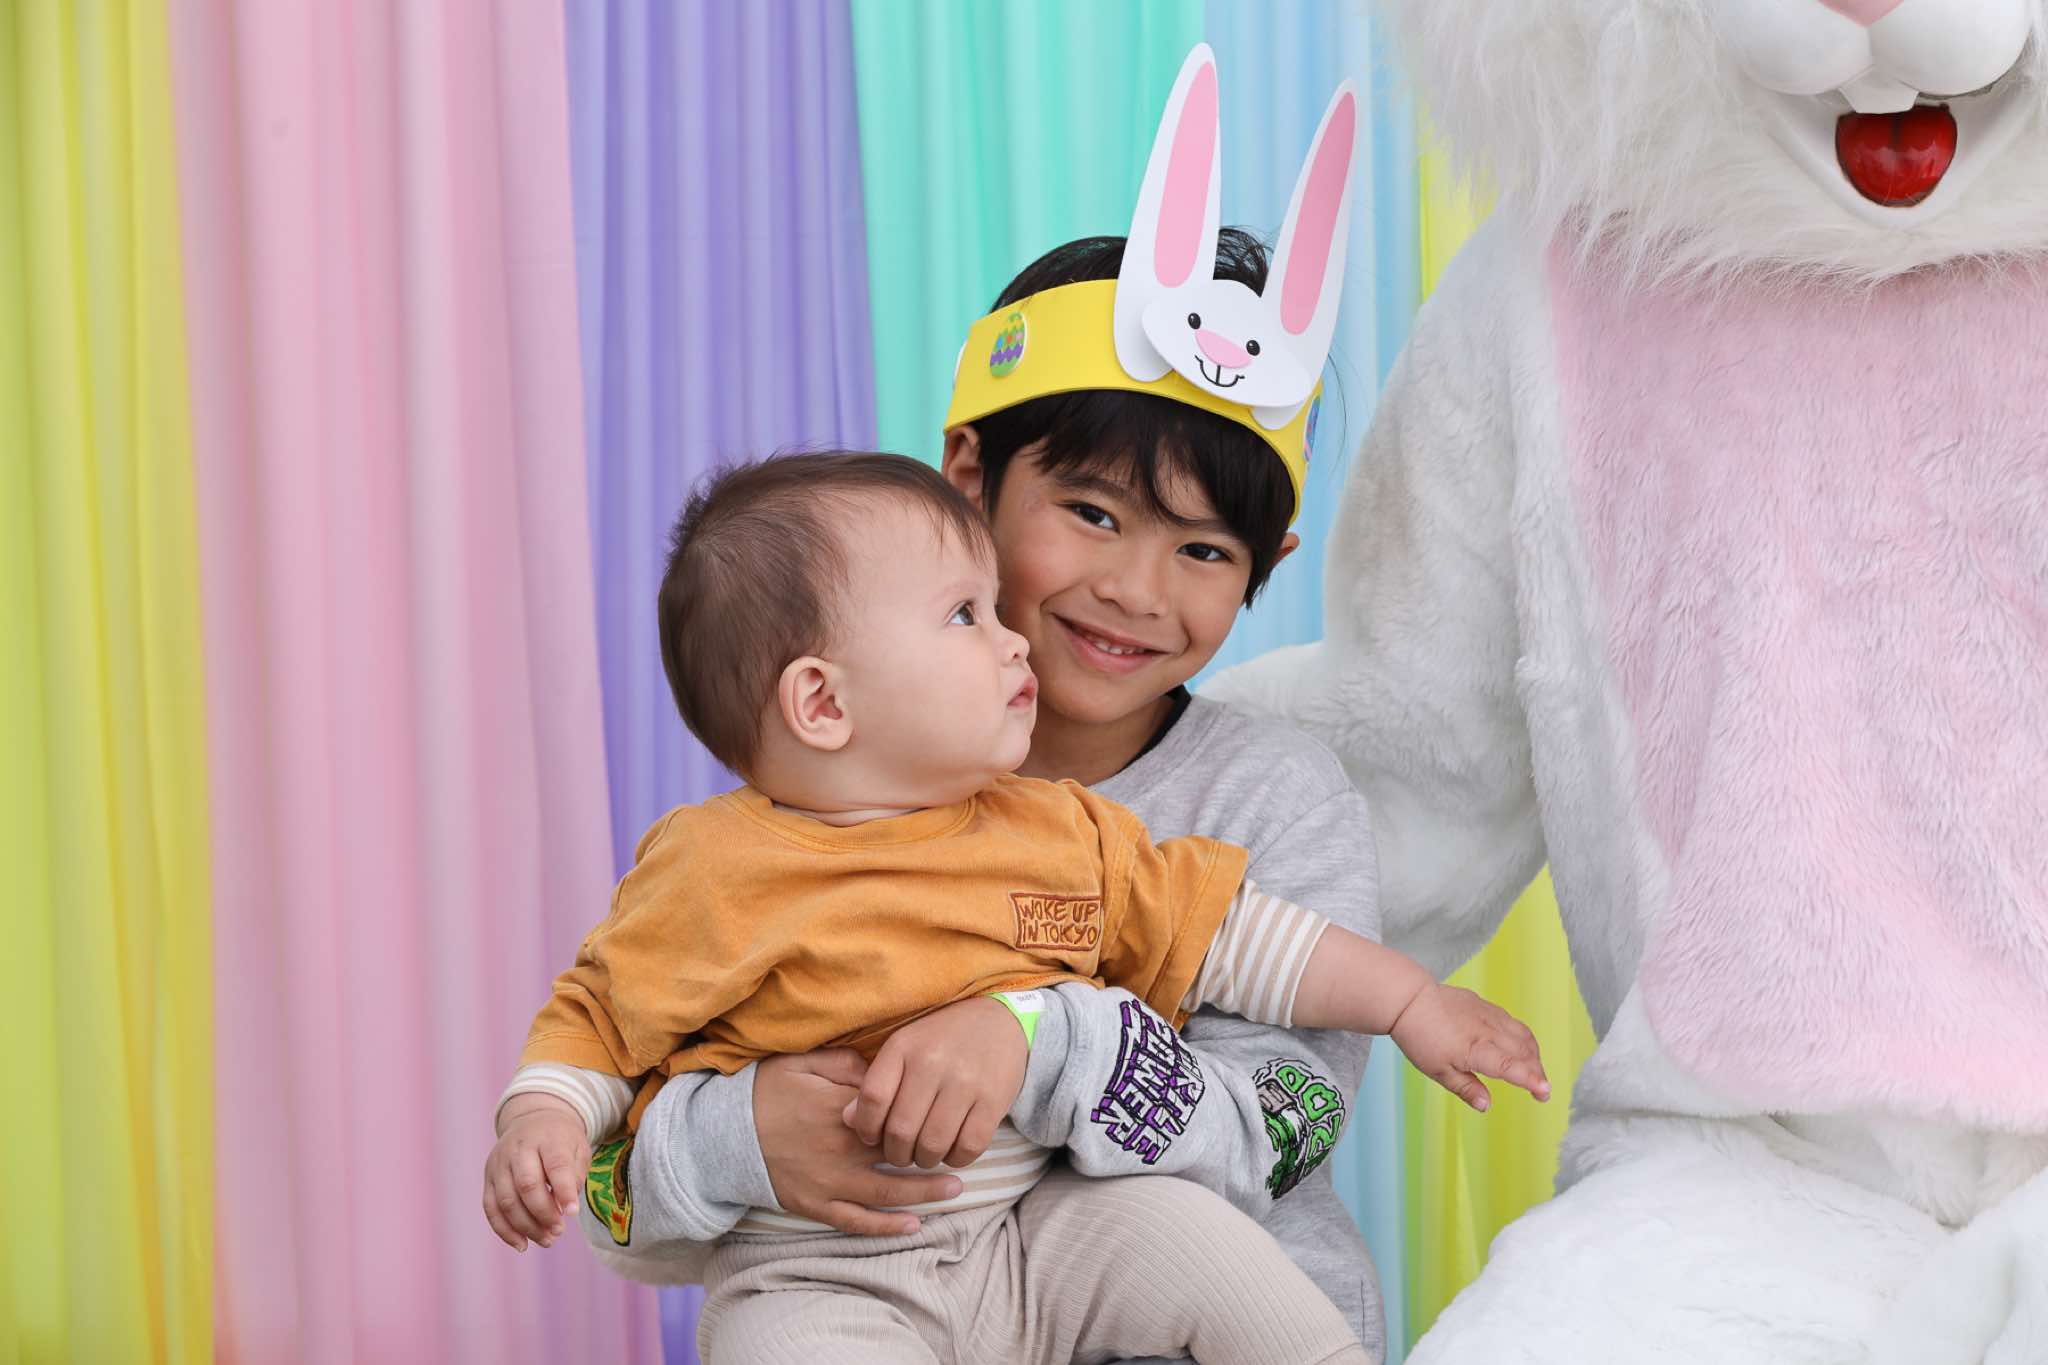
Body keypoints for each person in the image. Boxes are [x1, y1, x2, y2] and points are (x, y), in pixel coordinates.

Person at [485, 450, 1547, 1364]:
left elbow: (1231, 936)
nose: (1008, 643)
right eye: (965, 616)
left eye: (994, 609)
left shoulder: (1052, 827)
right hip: (821, 1270)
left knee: (1189, 1237)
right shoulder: (712, 869)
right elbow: (601, 1021)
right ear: (823, 701)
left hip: (1037, 1233)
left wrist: (1407, 1001)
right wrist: (544, 1117)